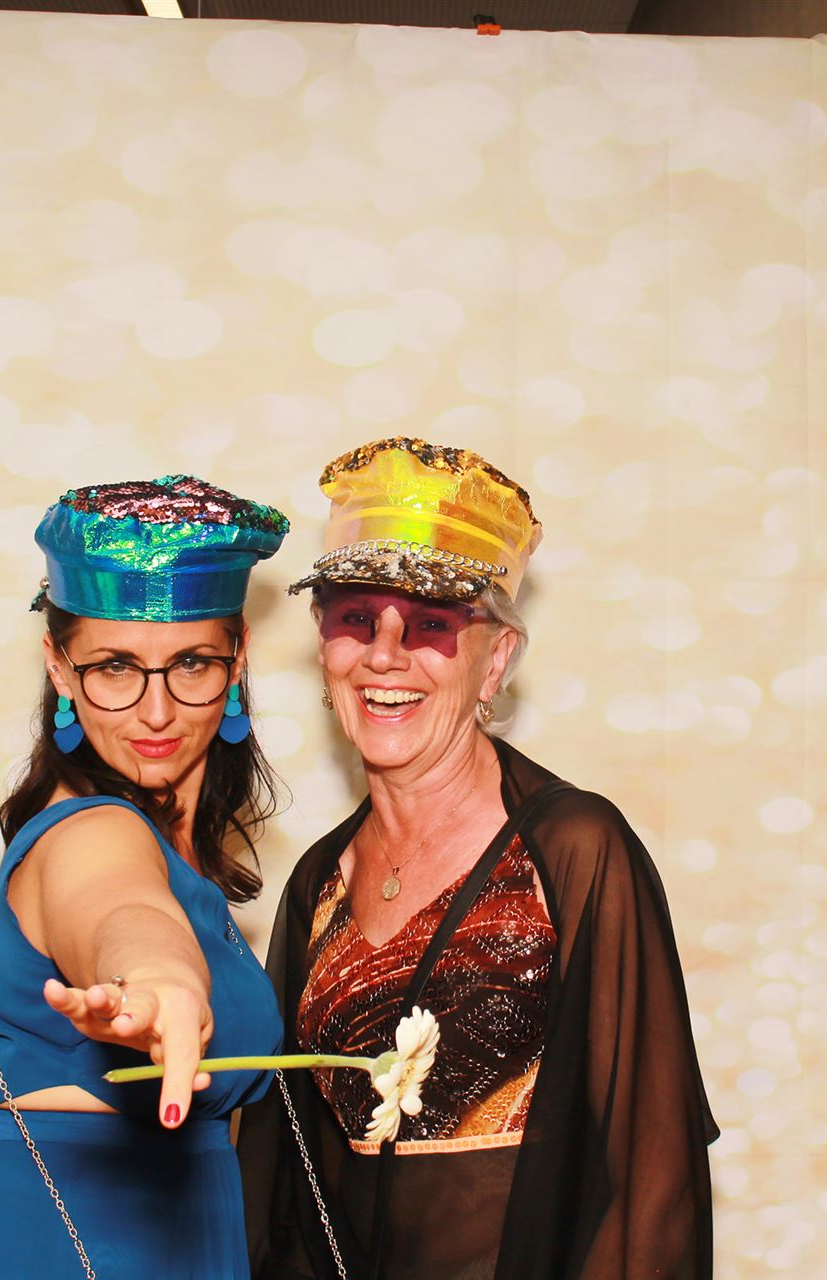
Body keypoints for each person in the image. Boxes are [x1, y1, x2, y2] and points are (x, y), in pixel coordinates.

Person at [240, 439, 717, 1280]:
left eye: (431, 625)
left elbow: (654, 1170)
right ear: (324, 648)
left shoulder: (574, 847)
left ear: (495, 660)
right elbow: (286, 1178)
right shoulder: (318, 880)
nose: (384, 655)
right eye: (357, 619)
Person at [0, 475, 290, 1280]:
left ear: (237, 661)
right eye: (116, 667)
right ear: (59, 667)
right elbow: (121, 912)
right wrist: (158, 984)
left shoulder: (178, 859)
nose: (157, 711)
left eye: (191, 663)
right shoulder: (90, 832)